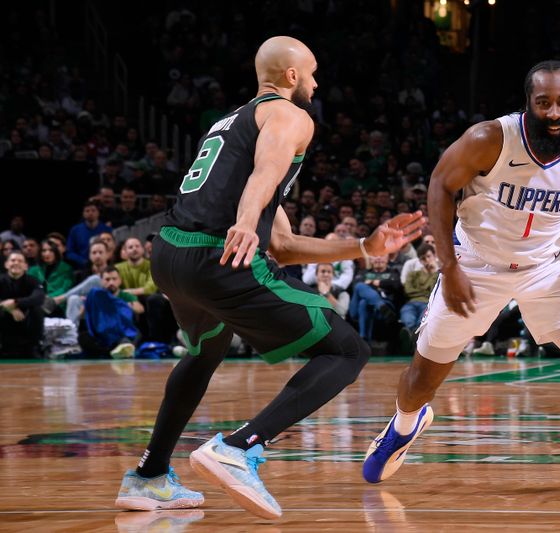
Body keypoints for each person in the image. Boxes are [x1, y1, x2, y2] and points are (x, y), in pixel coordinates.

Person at [115, 36, 424, 519]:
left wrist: (364, 247)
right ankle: (239, 448)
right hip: (216, 255)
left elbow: (281, 243)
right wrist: (244, 217)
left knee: (205, 351)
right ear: (293, 77)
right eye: (314, 73)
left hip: (171, 256)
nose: (318, 83)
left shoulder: (229, 123)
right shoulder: (289, 115)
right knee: (347, 349)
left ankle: (149, 475)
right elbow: (268, 169)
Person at [362, 61, 560, 493]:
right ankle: (404, 426)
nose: (555, 113)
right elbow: (440, 185)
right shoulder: (490, 139)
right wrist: (450, 266)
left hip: (548, 270)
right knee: (421, 380)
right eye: (544, 103)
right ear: (528, 104)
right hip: (476, 265)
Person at [0, 251, 44, 357]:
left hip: (25, 320)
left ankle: (34, 347)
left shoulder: (33, 281)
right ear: (6, 264)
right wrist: (6, 307)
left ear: (25, 266)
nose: (16, 263)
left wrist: (16, 302)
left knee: (37, 309)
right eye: (13, 260)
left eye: (20, 261)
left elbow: (39, 298)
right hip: (4, 321)